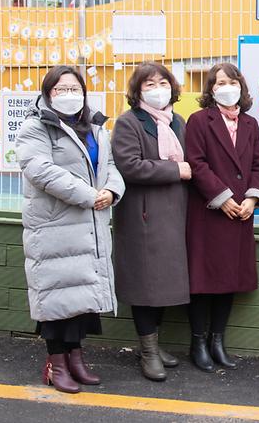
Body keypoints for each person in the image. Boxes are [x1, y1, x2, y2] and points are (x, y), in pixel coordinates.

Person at [16, 66, 125, 394]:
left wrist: (111, 191)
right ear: (47, 94)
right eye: (59, 90)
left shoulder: (95, 126)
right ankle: (56, 363)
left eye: (73, 88)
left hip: (89, 225)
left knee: (81, 296)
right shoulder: (36, 127)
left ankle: (76, 358)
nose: (68, 95)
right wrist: (91, 196)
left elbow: (110, 166)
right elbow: (41, 171)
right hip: (54, 226)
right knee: (56, 296)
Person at [112, 61, 192, 381]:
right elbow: (130, 166)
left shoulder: (178, 122)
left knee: (162, 282)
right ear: (137, 91)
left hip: (174, 213)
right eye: (149, 85)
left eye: (162, 83)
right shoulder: (129, 122)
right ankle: (147, 350)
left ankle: (155, 345)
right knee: (146, 282)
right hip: (142, 215)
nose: (158, 90)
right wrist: (176, 170)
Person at [184, 62, 259, 372]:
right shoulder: (198, 121)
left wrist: (251, 197)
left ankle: (218, 342)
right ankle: (198, 343)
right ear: (210, 90)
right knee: (203, 281)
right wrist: (223, 198)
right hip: (208, 213)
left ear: (242, 87)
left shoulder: (250, 124)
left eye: (232, 81)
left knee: (228, 280)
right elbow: (197, 164)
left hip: (240, 215)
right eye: (219, 83)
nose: (226, 87)